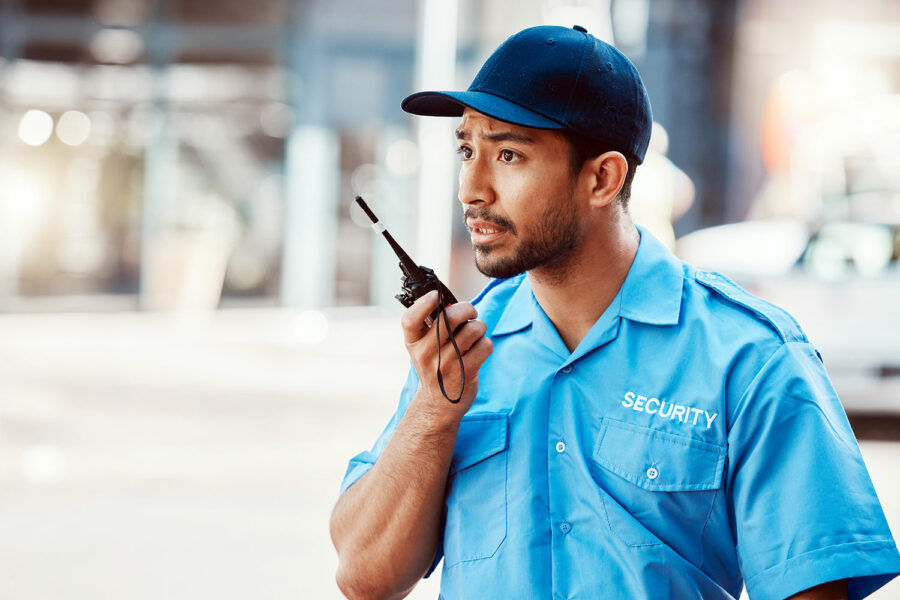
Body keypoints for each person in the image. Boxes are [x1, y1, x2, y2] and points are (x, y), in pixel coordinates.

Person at [330, 25, 900, 600]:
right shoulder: (459, 352)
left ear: (603, 178)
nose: (472, 189)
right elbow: (364, 576)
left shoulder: (750, 358)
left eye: (508, 154)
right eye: (466, 150)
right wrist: (432, 411)